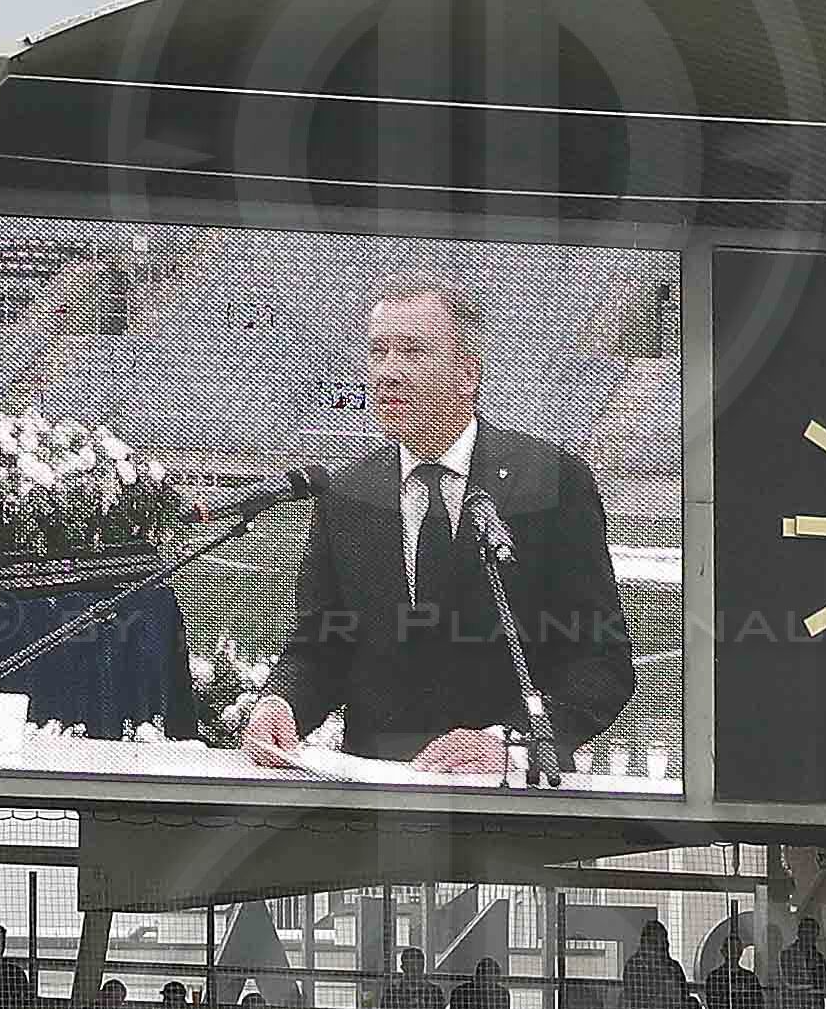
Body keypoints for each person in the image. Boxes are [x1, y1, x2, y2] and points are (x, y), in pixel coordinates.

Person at [243, 273, 638, 778]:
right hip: (373, 809)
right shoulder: (346, 493)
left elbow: (599, 659)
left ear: (468, 373)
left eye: (412, 352)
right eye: (377, 351)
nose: (387, 373)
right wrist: (282, 703)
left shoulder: (550, 482)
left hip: (506, 798)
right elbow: (322, 646)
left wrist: (513, 746)